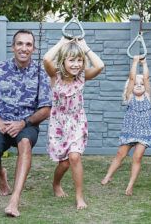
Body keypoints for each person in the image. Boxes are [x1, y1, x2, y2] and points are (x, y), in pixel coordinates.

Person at [0, 29, 52, 217]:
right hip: (1, 123)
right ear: (13, 47)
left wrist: (24, 122)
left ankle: (14, 201)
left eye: (28, 44)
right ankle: (1, 173)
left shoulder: (40, 74)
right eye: (20, 43)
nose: (24, 48)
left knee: (25, 144)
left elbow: (46, 109)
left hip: (26, 124)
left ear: (33, 49)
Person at [43, 37, 104, 209]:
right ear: (63, 61)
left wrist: (85, 48)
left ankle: (79, 197)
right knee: (64, 163)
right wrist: (61, 43)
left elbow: (99, 66)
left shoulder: (82, 77)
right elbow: (47, 59)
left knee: (75, 157)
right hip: (59, 124)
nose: (76, 64)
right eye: (72, 60)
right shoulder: (55, 75)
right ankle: (56, 183)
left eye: (79, 60)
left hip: (77, 121)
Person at [101, 55, 151, 196]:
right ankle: (108, 176)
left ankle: (130, 185)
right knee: (121, 153)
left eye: (141, 83)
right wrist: (135, 62)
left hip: (145, 132)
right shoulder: (129, 97)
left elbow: (147, 78)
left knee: (137, 157)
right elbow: (132, 79)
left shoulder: (147, 96)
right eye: (136, 83)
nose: (139, 85)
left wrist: (144, 63)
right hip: (130, 131)